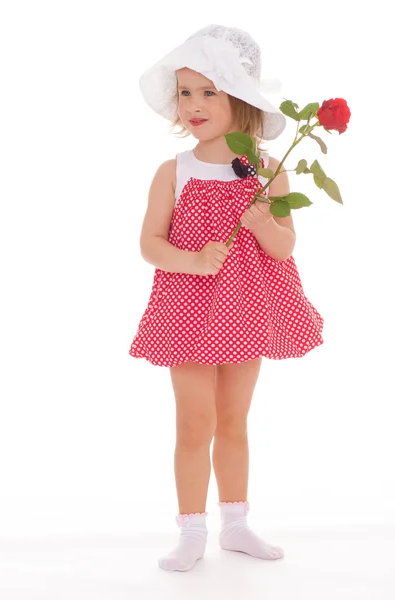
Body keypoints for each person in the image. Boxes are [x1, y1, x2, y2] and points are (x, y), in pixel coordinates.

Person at [128, 24, 324, 572]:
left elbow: (284, 249)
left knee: (233, 419)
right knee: (195, 421)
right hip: (189, 312)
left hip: (244, 309)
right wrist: (192, 260)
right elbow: (149, 244)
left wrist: (263, 223)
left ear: (241, 99)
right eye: (185, 91)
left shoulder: (268, 171)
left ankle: (236, 525)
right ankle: (192, 529)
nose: (192, 104)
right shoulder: (175, 172)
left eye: (208, 91)